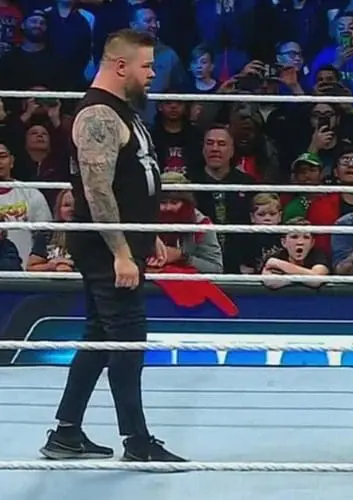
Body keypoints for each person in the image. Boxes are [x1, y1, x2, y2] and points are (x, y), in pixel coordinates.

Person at [39, 29, 185, 463]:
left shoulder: (123, 111)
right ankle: (136, 441)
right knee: (127, 338)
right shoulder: (98, 114)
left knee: (101, 337)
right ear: (121, 67)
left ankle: (66, 433)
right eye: (147, 66)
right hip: (106, 248)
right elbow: (97, 190)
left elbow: (133, 179)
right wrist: (122, 252)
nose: (153, 74)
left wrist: (147, 231)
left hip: (122, 241)